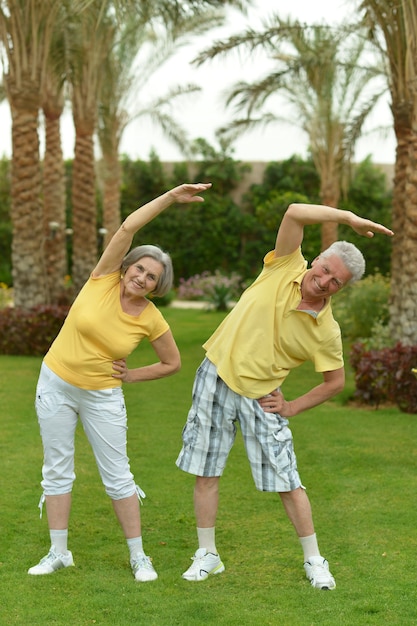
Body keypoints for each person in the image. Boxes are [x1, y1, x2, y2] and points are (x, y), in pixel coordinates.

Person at [176, 201, 394, 589]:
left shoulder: (326, 330)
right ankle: (207, 554)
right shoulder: (285, 265)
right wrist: (347, 218)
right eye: (325, 269)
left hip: (263, 397)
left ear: (341, 289)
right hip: (216, 376)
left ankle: (314, 560)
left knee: (288, 481)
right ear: (317, 261)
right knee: (206, 471)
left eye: (336, 282)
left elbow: (335, 382)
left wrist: (291, 406)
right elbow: (294, 212)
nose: (325, 281)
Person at [28, 182, 212, 582]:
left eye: (152, 277)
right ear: (127, 267)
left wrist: (131, 376)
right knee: (56, 469)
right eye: (140, 269)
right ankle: (58, 552)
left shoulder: (150, 318)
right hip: (55, 383)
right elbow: (127, 228)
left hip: (102, 397)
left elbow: (172, 363)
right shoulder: (102, 278)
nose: (142, 278)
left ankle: (139, 556)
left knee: (118, 474)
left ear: (157, 286)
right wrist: (167, 198)